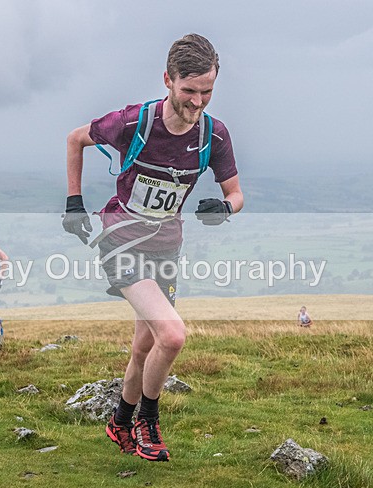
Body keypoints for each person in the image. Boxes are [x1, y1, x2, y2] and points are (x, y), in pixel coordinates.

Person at [64, 34, 243, 461]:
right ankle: (148, 418)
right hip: (120, 241)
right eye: (189, 91)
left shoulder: (213, 136)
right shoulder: (133, 123)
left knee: (146, 347)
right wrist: (74, 203)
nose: (198, 102)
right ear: (167, 79)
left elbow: (236, 193)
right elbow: (75, 139)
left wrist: (225, 207)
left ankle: (119, 421)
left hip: (166, 249)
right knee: (173, 335)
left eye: (207, 92)